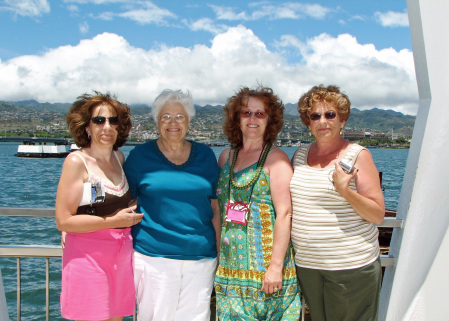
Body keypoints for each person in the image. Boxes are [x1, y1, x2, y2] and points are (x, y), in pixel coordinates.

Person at [124, 89, 220, 321]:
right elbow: (124, 201)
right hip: (154, 258)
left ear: (189, 121)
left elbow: (216, 208)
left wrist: (219, 251)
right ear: (157, 122)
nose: (173, 122)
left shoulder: (206, 155)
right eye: (166, 116)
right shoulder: (140, 156)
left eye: (179, 116)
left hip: (201, 258)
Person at [290, 84, 385, 321]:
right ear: (308, 123)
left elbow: (377, 214)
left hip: (350, 267)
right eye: (315, 115)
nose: (323, 121)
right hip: (308, 266)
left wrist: (345, 190)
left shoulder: (357, 154)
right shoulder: (300, 156)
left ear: (342, 120)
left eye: (330, 114)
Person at [55, 91, 144, 321]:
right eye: (99, 120)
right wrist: (113, 222)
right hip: (88, 258)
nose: (107, 126)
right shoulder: (77, 162)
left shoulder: (119, 158)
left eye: (113, 121)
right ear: (87, 127)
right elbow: (63, 220)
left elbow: (113, 199)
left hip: (120, 256)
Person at [214, 86, 301, 320]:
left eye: (260, 113)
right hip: (231, 268)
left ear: (269, 121)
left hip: (265, 270)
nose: (253, 119)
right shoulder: (226, 157)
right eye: (246, 113)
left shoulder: (277, 160)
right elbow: (219, 209)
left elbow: (284, 214)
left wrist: (275, 267)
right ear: (237, 118)